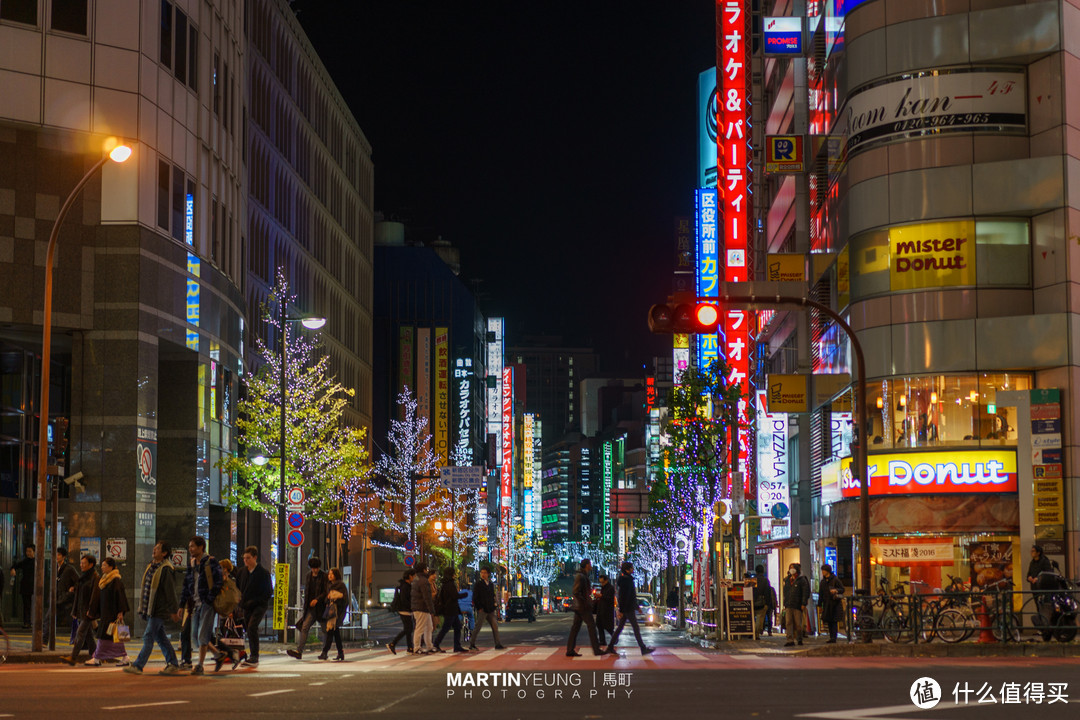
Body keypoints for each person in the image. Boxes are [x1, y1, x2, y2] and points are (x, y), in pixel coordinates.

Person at [125, 540, 180, 674]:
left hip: (159, 610)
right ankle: (173, 663)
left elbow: (170, 592)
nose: (154, 550)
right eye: (154, 548)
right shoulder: (152, 566)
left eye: (157, 549)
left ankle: (138, 665)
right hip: (150, 609)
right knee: (161, 638)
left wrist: (173, 611)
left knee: (148, 636)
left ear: (164, 553)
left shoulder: (166, 569)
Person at [175, 535, 224, 675]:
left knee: (202, 635)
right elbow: (186, 585)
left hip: (206, 604)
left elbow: (218, 582)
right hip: (195, 604)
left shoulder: (211, 562)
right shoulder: (191, 564)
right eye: (190, 546)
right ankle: (218, 655)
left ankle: (200, 665)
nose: (190, 549)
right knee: (195, 636)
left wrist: (209, 599)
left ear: (201, 547)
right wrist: (181, 605)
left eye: (192, 546)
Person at [86, 557, 130, 666]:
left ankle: (96, 658)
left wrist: (120, 612)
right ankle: (124, 657)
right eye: (102, 565)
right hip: (106, 613)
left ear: (111, 567)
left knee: (104, 636)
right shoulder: (105, 580)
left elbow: (120, 597)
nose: (102, 567)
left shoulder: (115, 580)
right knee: (112, 637)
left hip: (112, 614)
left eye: (104, 565)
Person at [605, 561, 653, 655]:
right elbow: (626, 596)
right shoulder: (627, 581)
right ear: (627, 570)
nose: (633, 569)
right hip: (628, 608)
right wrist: (623, 609)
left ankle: (610, 646)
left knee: (621, 628)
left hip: (627, 608)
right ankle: (643, 648)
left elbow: (629, 596)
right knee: (635, 628)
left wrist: (635, 607)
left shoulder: (626, 580)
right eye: (631, 568)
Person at [235, 545, 272, 667]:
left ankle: (254, 656)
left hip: (259, 605)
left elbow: (268, 591)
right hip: (246, 605)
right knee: (248, 629)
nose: (246, 560)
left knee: (252, 627)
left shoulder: (263, 573)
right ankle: (251, 655)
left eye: (248, 558)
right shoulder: (241, 572)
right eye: (244, 558)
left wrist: (257, 601)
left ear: (255, 557)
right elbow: (237, 588)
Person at [287, 557, 329, 660]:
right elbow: (307, 592)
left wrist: (317, 599)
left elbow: (325, 591)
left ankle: (324, 652)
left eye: (316, 568)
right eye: (313, 568)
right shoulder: (308, 576)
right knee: (304, 627)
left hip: (321, 608)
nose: (315, 570)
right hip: (310, 608)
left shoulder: (324, 576)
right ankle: (299, 651)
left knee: (325, 630)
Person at [62, 553, 99, 665]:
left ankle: (73, 657)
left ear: (91, 564)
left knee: (80, 632)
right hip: (82, 610)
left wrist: (91, 610)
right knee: (88, 635)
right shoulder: (83, 577)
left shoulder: (95, 577)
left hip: (88, 611)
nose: (81, 565)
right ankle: (96, 656)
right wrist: (75, 611)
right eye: (81, 563)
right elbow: (78, 596)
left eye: (84, 563)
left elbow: (95, 595)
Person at [566, 558, 605, 657]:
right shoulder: (581, 576)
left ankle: (570, 650)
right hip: (583, 607)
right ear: (587, 565)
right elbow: (576, 591)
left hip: (580, 606)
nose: (591, 566)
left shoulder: (582, 575)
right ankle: (596, 649)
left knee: (575, 628)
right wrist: (585, 601)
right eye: (590, 564)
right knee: (591, 626)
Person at [47, 546, 80, 645]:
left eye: (58, 555)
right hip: (56, 598)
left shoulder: (69, 569)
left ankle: (80, 639)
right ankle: (44, 640)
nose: (56, 557)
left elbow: (78, 581)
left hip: (66, 599)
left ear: (64, 557)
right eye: (55, 554)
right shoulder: (54, 568)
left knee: (72, 620)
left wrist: (72, 588)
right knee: (48, 619)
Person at [433, 567, 468, 653]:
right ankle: (436, 644)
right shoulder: (450, 584)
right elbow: (454, 596)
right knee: (446, 627)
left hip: (450, 609)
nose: (455, 575)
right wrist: (465, 594)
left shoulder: (445, 583)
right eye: (453, 573)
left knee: (457, 627)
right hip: (450, 609)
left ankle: (457, 646)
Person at [470, 567, 505, 650]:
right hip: (482, 609)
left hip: (490, 609)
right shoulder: (478, 584)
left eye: (485, 572)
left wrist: (494, 605)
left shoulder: (491, 584)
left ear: (488, 574)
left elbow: (492, 595)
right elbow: (475, 597)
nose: (483, 574)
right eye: (482, 572)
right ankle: (472, 643)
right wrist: (479, 607)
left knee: (495, 626)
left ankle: (498, 643)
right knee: (478, 626)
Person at [318, 568, 348, 661]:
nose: (330, 576)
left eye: (332, 574)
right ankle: (340, 653)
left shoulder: (341, 585)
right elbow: (326, 598)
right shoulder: (329, 585)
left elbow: (344, 599)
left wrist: (336, 598)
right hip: (330, 611)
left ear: (336, 575)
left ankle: (325, 652)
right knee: (335, 633)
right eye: (329, 574)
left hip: (337, 612)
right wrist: (329, 598)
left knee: (331, 631)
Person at [1027, 544, 1056, 637]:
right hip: (1035, 588)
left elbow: (1048, 574)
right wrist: (1029, 578)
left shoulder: (1044, 561)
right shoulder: (1032, 563)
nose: (1031, 553)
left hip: (1043, 589)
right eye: (1031, 551)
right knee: (1038, 607)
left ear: (1038, 553)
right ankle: (1041, 628)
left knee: (1045, 608)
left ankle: (1047, 628)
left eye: (1033, 551)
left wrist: (1038, 578)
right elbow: (1028, 574)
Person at [386, 568, 416, 654]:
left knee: (408, 629)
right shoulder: (405, 586)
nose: (414, 578)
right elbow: (404, 599)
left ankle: (409, 648)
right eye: (413, 576)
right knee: (408, 629)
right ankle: (393, 643)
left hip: (404, 609)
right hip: (404, 610)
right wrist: (410, 607)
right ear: (410, 576)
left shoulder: (403, 585)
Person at [782, 562, 810, 647]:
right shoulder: (787, 580)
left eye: (793, 568)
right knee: (788, 623)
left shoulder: (802, 580)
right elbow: (785, 592)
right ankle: (790, 640)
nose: (791, 570)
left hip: (798, 605)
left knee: (798, 624)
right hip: (788, 605)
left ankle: (799, 639)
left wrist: (803, 603)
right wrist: (785, 603)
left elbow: (805, 592)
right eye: (790, 568)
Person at [410, 563, 436, 653]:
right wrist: (431, 609)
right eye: (426, 569)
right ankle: (417, 647)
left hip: (419, 607)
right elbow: (427, 596)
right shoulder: (423, 581)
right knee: (420, 628)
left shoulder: (416, 579)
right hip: (421, 607)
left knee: (429, 627)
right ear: (424, 570)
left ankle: (429, 646)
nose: (427, 570)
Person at [817, 564, 844, 644]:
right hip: (826, 604)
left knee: (834, 621)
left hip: (834, 603)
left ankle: (833, 637)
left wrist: (836, 590)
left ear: (827, 571)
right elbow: (821, 594)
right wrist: (820, 604)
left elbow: (842, 589)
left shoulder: (835, 580)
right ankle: (831, 637)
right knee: (828, 620)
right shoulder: (823, 582)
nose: (822, 572)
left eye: (823, 570)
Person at [9, 544, 35, 628]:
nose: (28, 553)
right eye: (27, 551)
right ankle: (27, 622)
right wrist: (13, 569)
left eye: (30, 551)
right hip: (26, 586)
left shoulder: (37, 561)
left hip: (34, 586)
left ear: (34, 552)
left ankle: (33, 621)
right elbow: (15, 565)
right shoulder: (25, 561)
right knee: (26, 605)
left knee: (32, 605)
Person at [594, 575, 615, 647]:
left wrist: (601, 596)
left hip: (607, 610)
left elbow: (609, 598)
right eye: (600, 582)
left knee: (607, 626)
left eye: (602, 582)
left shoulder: (610, 588)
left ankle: (614, 637)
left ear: (606, 580)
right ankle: (602, 641)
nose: (601, 584)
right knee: (599, 624)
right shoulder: (604, 587)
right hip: (601, 608)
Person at [752, 565, 770, 637]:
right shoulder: (765, 580)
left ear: (756, 571)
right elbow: (767, 592)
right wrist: (767, 603)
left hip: (752, 602)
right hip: (761, 602)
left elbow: (749, 591)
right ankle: (756, 633)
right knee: (760, 618)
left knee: (752, 617)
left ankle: (752, 632)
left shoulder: (752, 580)